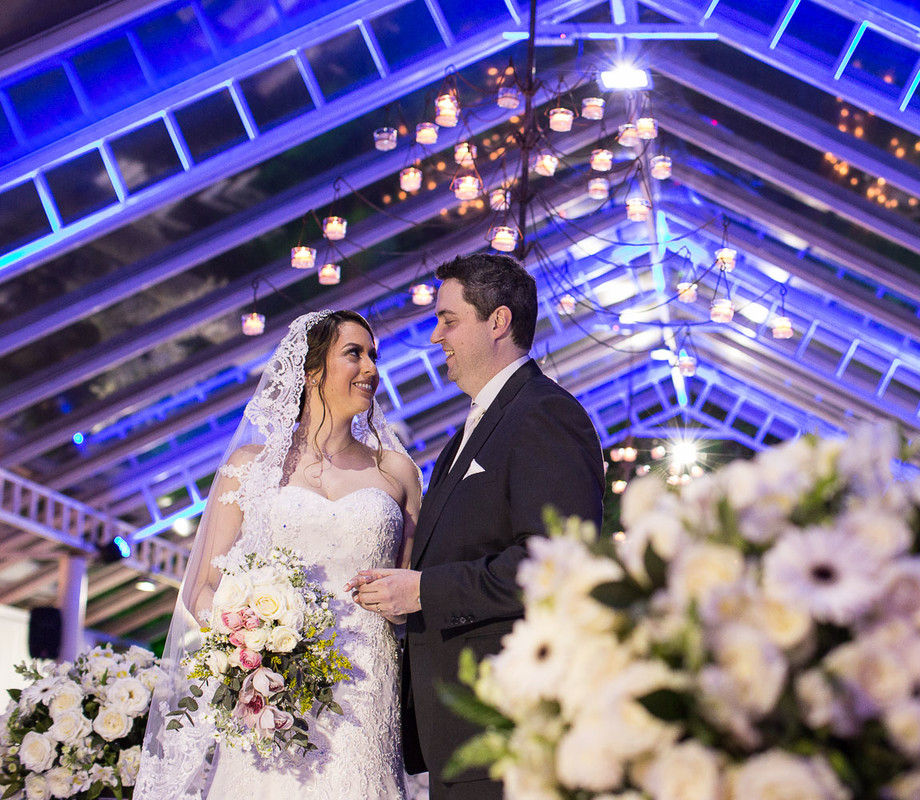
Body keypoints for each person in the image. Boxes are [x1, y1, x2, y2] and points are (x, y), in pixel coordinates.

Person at [134, 310, 423, 800]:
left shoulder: (397, 472)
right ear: (311, 372)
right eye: (354, 353)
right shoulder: (249, 468)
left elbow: (411, 585)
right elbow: (202, 586)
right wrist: (248, 642)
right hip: (268, 694)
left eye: (374, 355)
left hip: (366, 694)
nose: (371, 367)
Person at [348, 253, 605, 800]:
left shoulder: (542, 414)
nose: (435, 335)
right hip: (456, 729)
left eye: (448, 319)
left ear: (498, 322)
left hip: (504, 723)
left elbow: (556, 563)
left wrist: (423, 591)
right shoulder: (468, 430)